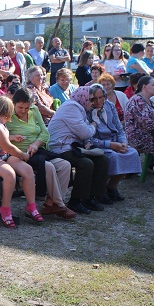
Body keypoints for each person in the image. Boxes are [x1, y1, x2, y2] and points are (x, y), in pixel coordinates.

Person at [6, 88, 76, 220]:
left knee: (65, 165)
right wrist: (13, 137)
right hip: (19, 154)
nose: (23, 111)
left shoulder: (34, 110)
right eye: (20, 107)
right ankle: (60, 205)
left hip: (38, 151)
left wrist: (35, 144)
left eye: (26, 107)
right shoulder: (7, 114)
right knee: (48, 167)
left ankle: (51, 202)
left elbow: (45, 132)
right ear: (13, 103)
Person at [0, 96, 42, 228]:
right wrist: (23, 155)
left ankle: (31, 206)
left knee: (27, 170)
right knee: (9, 174)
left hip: (1, 157)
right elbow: (8, 147)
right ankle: (4, 209)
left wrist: (11, 137)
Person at [48, 85, 111, 213]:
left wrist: (88, 135)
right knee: (86, 164)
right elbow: (85, 132)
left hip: (72, 145)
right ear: (83, 98)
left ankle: (91, 197)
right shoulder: (72, 107)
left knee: (102, 159)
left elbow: (84, 132)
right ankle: (75, 201)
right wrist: (94, 125)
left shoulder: (80, 108)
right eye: (91, 99)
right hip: (59, 147)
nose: (93, 103)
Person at [86, 84, 141, 200]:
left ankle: (112, 186)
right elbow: (88, 138)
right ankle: (100, 189)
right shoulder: (87, 110)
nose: (98, 101)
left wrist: (123, 142)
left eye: (101, 97)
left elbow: (119, 128)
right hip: (100, 144)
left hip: (115, 141)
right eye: (94, 99)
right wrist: (110, 145)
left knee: (132, 153)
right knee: (113, 157)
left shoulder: (109, 106)